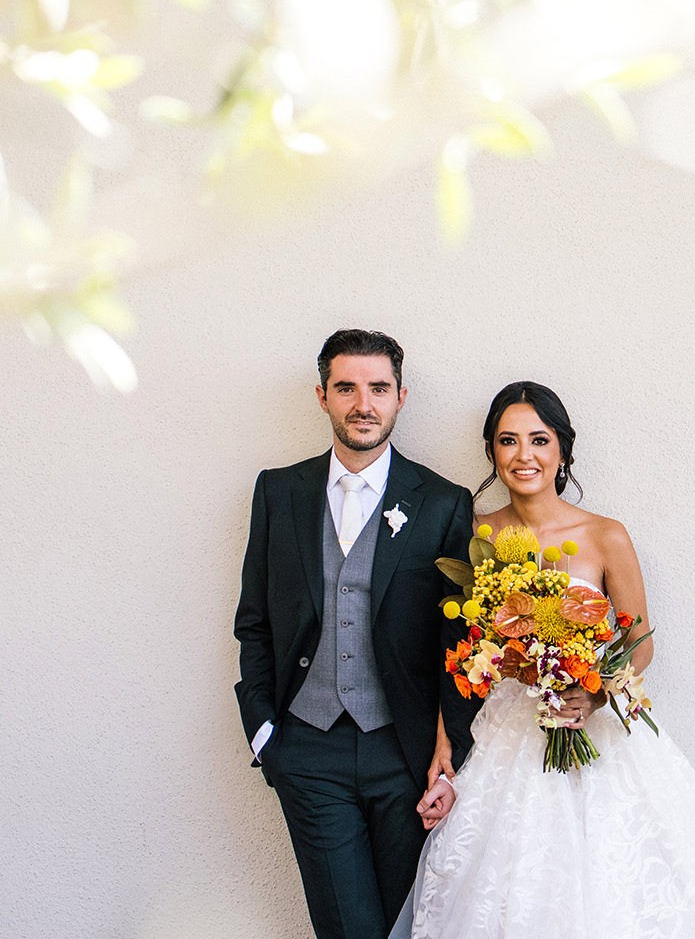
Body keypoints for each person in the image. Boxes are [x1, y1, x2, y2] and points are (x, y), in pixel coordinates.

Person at [390, 381, 695, 938]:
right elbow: (458, 654)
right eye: (508, 441)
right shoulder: (479, 534)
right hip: (507, 732)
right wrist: (445, 744)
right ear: (492, 452)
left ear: (562, 450)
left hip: (593, 730)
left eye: (539, 440)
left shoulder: (605, 535)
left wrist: (594, 690)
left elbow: (641, 640)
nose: (523, 455)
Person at [235, 329, 481, 939]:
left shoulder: (443, 503)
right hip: (307, 749)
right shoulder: (279, 492)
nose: (362, 404)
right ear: (322, 396)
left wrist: (451, 757)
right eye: (346, 387)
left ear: (402, 397)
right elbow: (255, 621)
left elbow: (462, 643)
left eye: (378, 388)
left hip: (404, 751)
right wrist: (266, 731)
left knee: (396, 927)